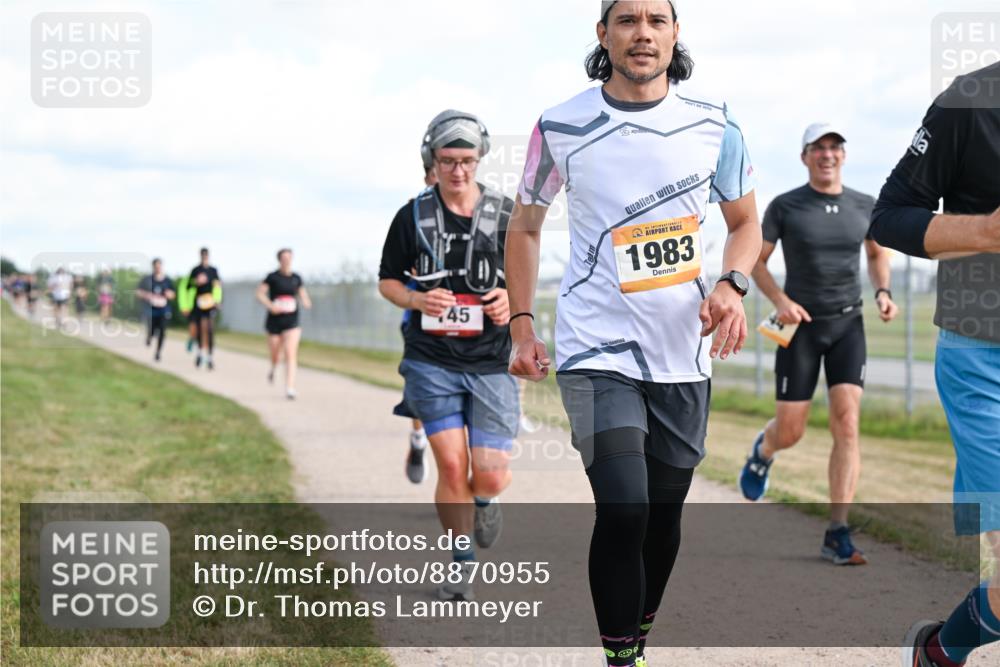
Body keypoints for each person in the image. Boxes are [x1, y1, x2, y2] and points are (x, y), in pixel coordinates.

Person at [505, 3, 761, 665]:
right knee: (624, 507)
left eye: (656, 20)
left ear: (675, 34)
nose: (642, 32)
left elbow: (745, 223)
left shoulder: (716, 125)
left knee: (662, 516)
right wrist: (523, 326)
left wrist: (733, 285)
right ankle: (622, 658)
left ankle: (634, 636)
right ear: (603, 34)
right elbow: (525, 227)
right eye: (626, 20)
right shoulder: (560, 125)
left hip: (682, 351)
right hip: (594, 347)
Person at [866, 62, 1000, 667]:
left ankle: (941, 653)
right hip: (983, 360)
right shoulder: (970, 101)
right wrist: (987, 231)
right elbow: (890, 215)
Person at [738, 123, 899, 565]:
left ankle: (837, 531)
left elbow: (876, 253)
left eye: (835, 147)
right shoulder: (786, 205)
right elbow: (756, 260)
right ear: (805, 156)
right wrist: (780, 301)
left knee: (847, 423)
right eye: (818, 148)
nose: (828, 154)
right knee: (791, 431)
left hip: (848, 325)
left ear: (843, 155)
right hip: (799, 327)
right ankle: (764, 450)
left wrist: (883, 292)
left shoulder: (865, 205)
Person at [378, 109, 518, 601]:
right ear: (431, 161)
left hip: (491, 361)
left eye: (467, 161)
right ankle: (461, 563)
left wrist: (510, 299)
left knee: (490, 474)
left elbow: (526, 277)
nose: (458, 171)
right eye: (447, 161)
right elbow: (388, 281)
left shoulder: (506, 214)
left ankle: (486, 501)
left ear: (480, 159)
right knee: (453, 467)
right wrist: (417, 300)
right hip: (431, 360)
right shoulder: (412, 216)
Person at [397, 164, 439, 484]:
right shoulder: (412, 216)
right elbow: (393, 271)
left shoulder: (479, 211)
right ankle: (417, 439)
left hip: (471, 320)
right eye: (440, 168)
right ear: (428, 177)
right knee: (423, 390)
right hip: (421, 318)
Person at [256, 248, 312, 399]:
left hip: (292, 321)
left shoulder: (296, 278)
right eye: (284, 258)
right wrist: (270, 306)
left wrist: (306, 301)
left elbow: (302, 294)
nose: (286, 260)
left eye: (289, 258)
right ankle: (274, 366)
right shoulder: (272, 277)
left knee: (290, 352)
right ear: (279, 260)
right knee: (275, 353)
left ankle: (290, 388)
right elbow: (260, 294)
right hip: (275, 320)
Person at [187, 248, 222, 370]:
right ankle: (200, 353)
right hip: (199, 302)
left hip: (210, 302)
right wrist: (196, 282)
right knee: (200, 329)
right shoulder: (195, 270)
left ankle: (210, 357)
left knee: (210, 329)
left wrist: (217, 300)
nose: (204, 257)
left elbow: (218, 286)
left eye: (206, 255)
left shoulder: (213, 270)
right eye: (202, 255)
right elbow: (188, 286)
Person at [136, 258, 176, 362]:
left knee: (162, 331)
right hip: (151, 310)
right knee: (152, 329)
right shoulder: (147, 280)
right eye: (156, 266)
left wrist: (169, 294)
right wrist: (147, 295)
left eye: (159, 266)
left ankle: (158, 352)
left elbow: (173, 294)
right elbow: (138, 292)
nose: (158, 268)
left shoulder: (167, 280)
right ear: (153, 267)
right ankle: (149, 336)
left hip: (164, 310)